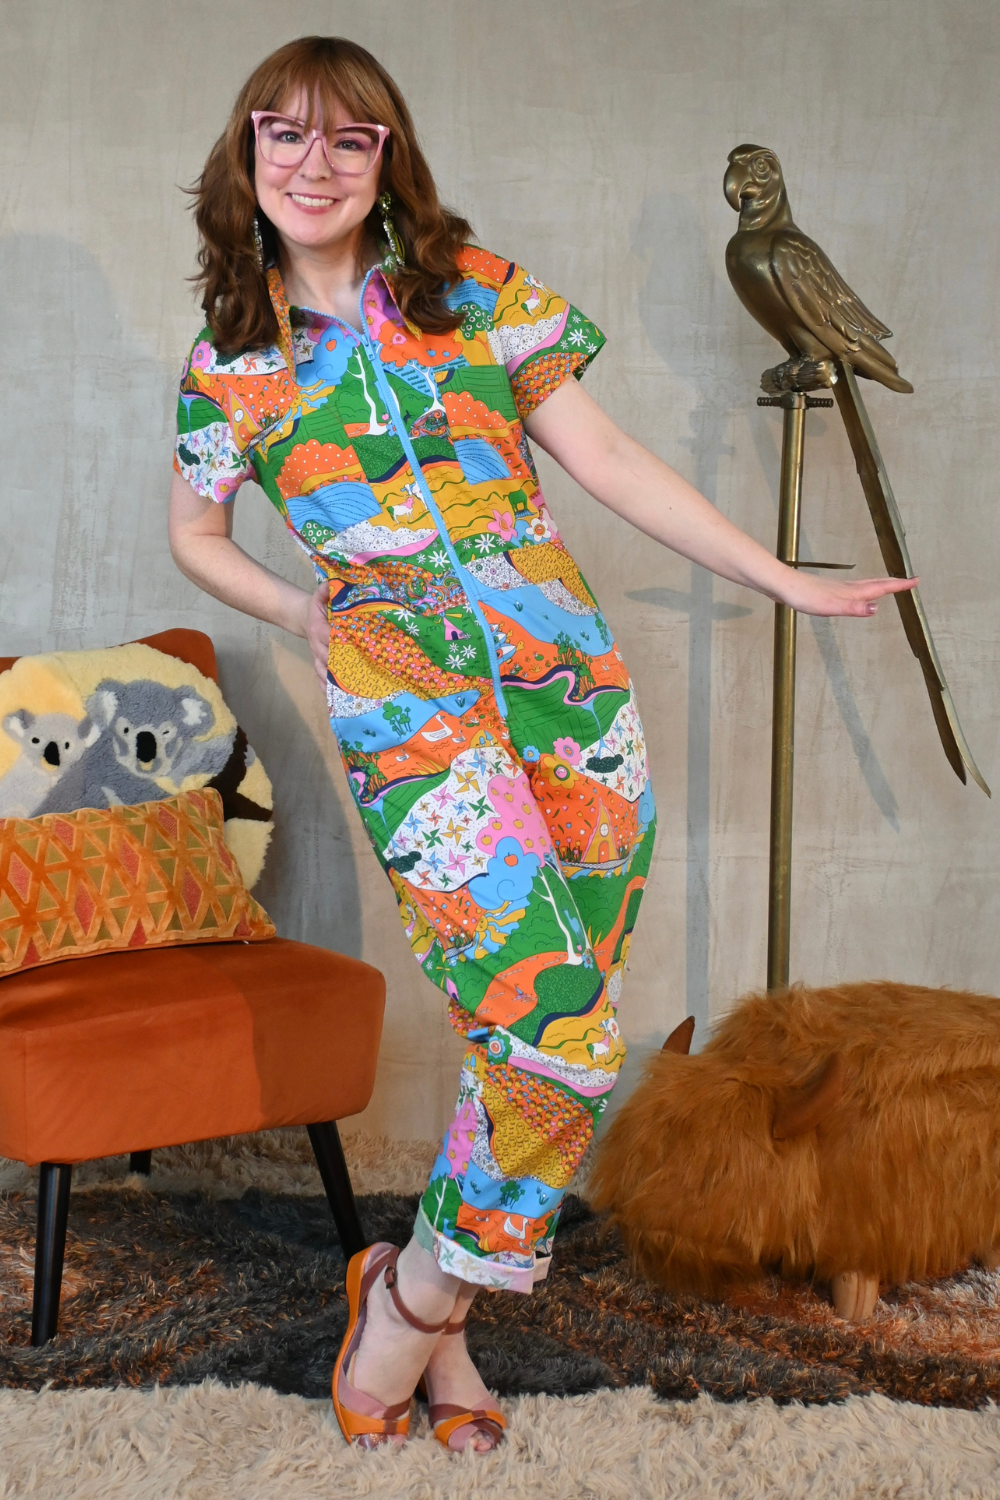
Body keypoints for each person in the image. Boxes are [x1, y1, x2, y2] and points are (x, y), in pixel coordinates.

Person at [168, 35, 916, 1453]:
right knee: (561, 1037)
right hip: (415, 721)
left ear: (388, 158)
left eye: (349, 140)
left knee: (513, 1039)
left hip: (570, 699)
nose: (314, 165)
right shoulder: (232, 367)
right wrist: (308, 608)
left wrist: (785, 574)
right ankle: (407, 1310)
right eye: (286, 135)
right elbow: (192, 537)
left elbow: (613, 461)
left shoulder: (472, 293)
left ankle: (430, 1309)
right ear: (246, 153)